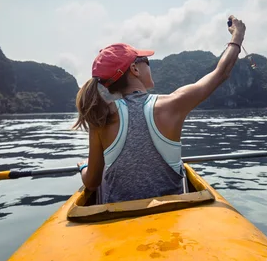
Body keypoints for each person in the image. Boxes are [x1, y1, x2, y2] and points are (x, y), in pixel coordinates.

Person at [73, 15, 247, 204]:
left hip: (121, 223)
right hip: (169, 219)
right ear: (134, 69)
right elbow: (221, 73)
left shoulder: (102, 117)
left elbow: (92, 182)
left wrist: (84, 168)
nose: (150, 64)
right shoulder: (172, 104)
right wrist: (237, 35)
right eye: (146, 60)